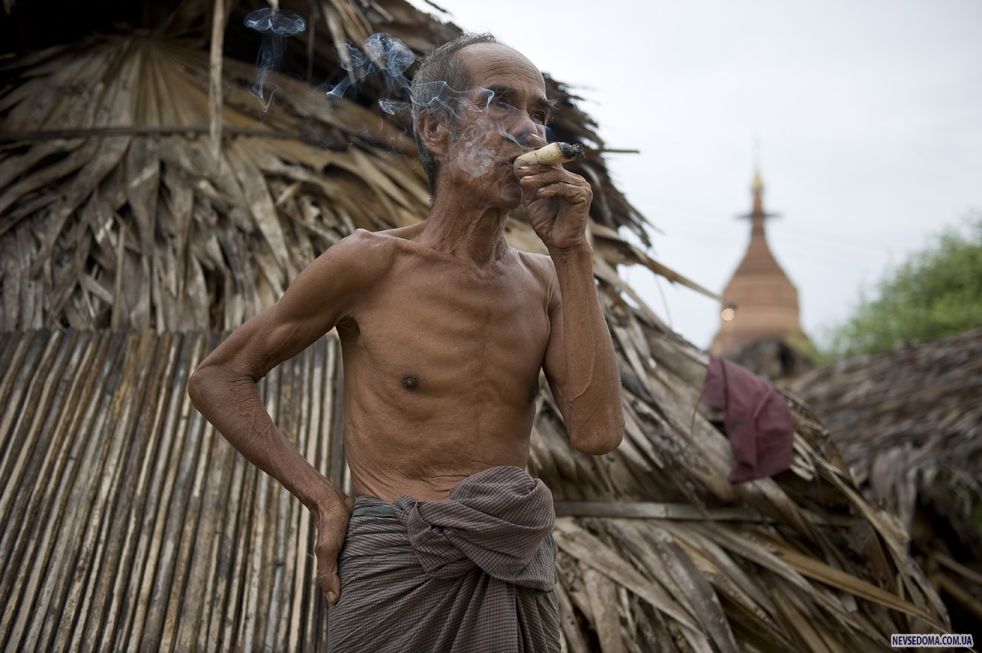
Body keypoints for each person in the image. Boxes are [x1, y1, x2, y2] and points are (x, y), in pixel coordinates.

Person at [188, 33, 624, 652]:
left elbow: (597, 434)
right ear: (436, 132)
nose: (528, 130)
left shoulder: (546, 281)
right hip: (393, 565)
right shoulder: (370, 264)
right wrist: (322, 498)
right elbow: (218, 377)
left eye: (539, 113)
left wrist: (573, 250)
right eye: (499, 102)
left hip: (510, 557)